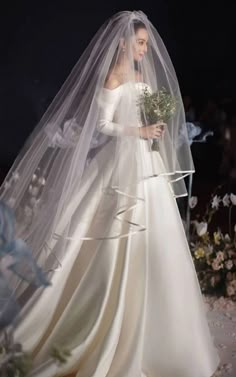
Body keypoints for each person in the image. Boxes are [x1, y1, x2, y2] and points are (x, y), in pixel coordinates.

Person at [0, 10, 220, 377]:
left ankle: (166, 337)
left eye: (146, 44)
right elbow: (102, 125)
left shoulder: (140, 76)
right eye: (139, 43)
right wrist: (139, 132)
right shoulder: (114, 76)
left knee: (160, 243)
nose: (144, 50)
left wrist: (155, 130)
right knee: (104, 243)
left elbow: (140, 119)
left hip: (146, 167)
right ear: (122, 42)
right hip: (118, 167)